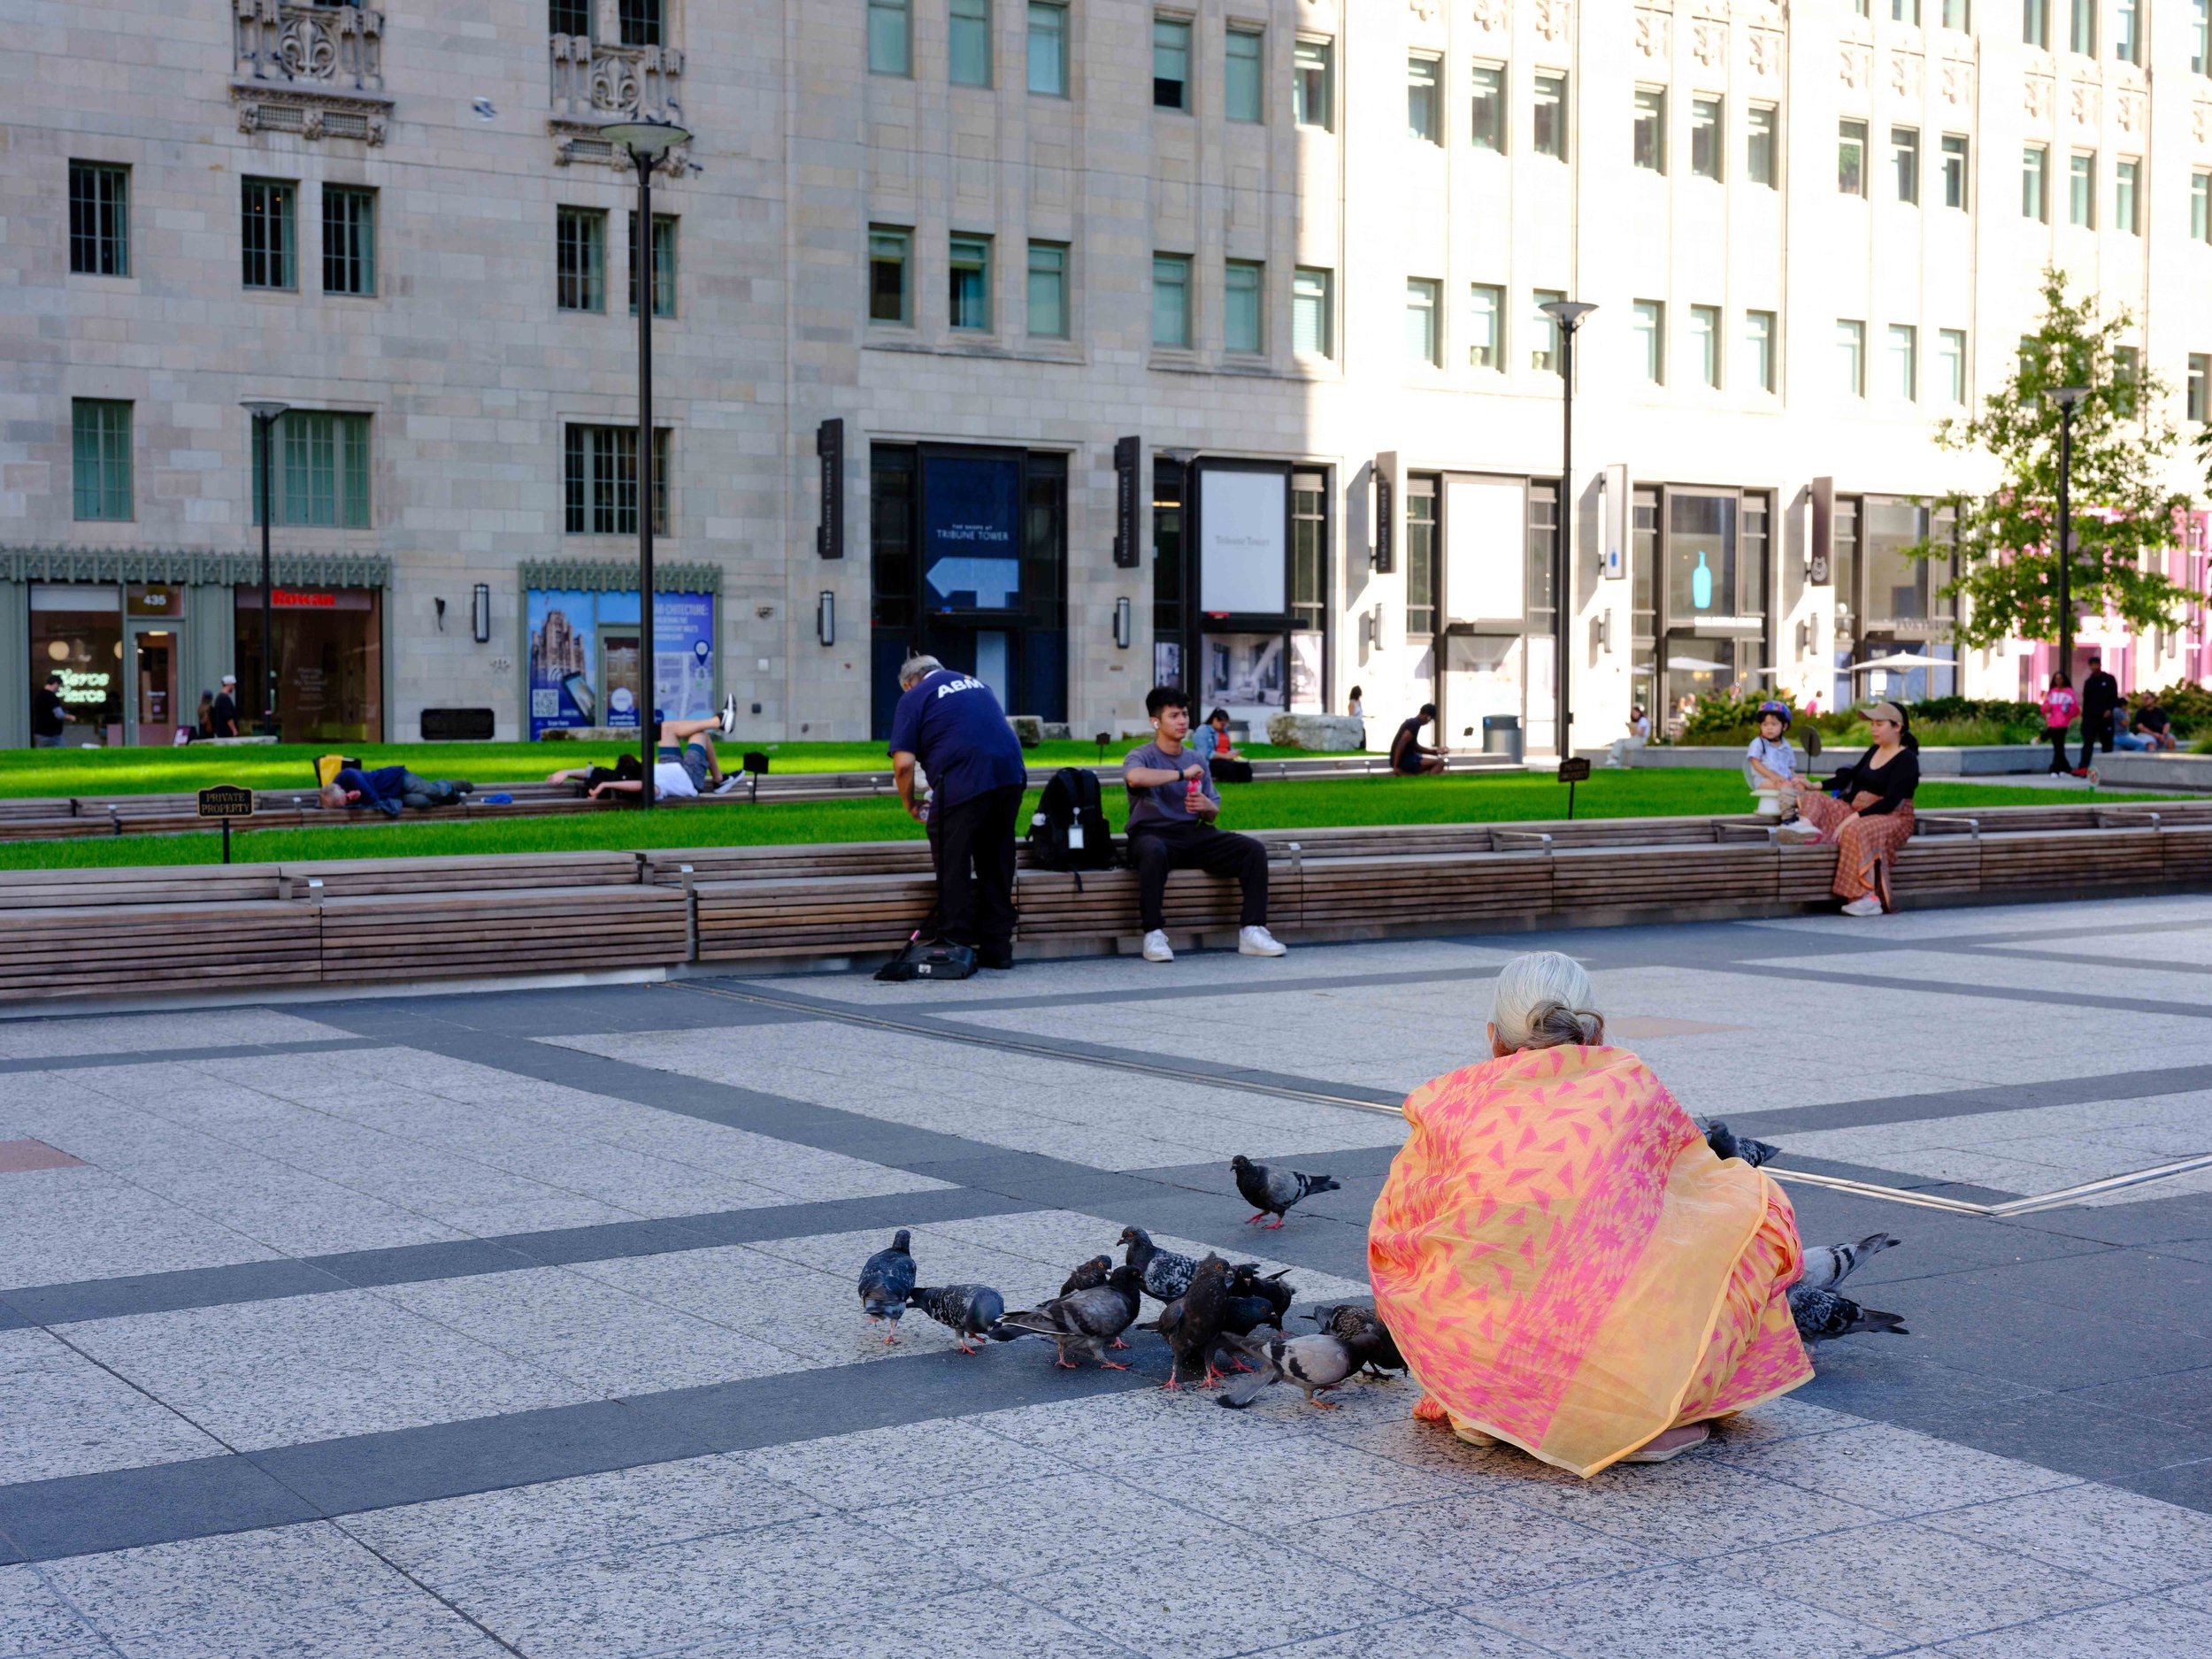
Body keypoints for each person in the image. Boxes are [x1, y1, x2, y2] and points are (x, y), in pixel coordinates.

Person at [1369, 951, 1812, 1476]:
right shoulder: (1628, 1082)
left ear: (1495, 1037)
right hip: (1612, 1345)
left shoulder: (1450, 1102)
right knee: (1744, 1207)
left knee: (1455, 1245)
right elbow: (1684, 1185)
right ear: (1593, 1033)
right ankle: (1647, 1410)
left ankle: (1477, 1404)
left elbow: (1403, 1222)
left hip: (1488, 1348)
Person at [1124, 686, 1286, 964]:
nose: (1182, 721)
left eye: (1184, 714)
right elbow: (1135, 779)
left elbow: (1212, 811)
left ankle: (1252, 930)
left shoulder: (1196, 759)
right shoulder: (1141, 755)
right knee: (1153, 851)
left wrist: (1207, 807)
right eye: (1174, 716)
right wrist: (1180, 775)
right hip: (1151, 834)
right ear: (1155, 722)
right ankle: (1153, 933)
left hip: (1191, 833)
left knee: (1252, 850)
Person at [889, 654, 1029, 973]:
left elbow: (903, 764)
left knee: (952, 859)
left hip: (963, 776)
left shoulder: (914, 696)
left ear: (909, 683)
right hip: (1010, 776)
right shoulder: (978, 684)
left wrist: (910, 804)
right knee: (996, 860)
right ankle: (998, 947)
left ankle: (955, 944)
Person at [1778, 701, 1919, 916]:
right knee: (1815, 798)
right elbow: (1850, 776)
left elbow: (1891, 801)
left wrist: (1853, 817)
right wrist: (1815, 785)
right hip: (1857, 810)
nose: (1873, 728)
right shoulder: (1875, 750)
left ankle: (1867, 897)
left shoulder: (1907, 760)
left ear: (1897, 726)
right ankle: (1805, 828)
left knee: (1856, 829)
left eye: (1879, 724)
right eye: (1872, 724)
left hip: (1893, 817)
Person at [552, 715, 736, 803]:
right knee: (701, 736)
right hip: (688, 777)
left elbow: (591, 773)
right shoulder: (640, 790)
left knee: (665, 728)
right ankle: (719, 779)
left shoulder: (613, 778)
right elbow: (646, 787)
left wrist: (566, 772)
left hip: (668, 765)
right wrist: (605, 787)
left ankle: (718, 721)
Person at [319, 766, 476, 816]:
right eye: (344, 805)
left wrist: (357, 798)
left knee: (434, 791)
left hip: (397, 778)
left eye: (345, 799)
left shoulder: (348, 776)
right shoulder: (335, 799)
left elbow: (373, 798)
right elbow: (372, 804)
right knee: (424, 801)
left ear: (340, 789)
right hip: (394, 796)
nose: (348, 803)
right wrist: (352, 803)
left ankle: (451, 786)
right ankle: (452, 795)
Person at [1744, 700, 1799, 818]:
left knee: (1800, 785)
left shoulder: (1786, 746)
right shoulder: (1759, 743)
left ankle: (1805, 814)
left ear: (1784, 726)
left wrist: (1796, 777)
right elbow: (1755, 762)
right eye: (1765, 724)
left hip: (1784, 779)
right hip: (1764, 780)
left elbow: (1790, 767)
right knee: (1786, 786)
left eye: (1773, 724)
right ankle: (1788, 817)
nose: (1769, 728)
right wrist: (1772, 776)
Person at [2077, 652, 2118, 775]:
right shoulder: (2089, 682)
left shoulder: (2109, 679)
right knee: (2087, 744)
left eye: (2096, 664)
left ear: (2100, 665)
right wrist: (2084, 720)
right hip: (2091, 718)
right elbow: (2086, 701)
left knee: (2107, 743)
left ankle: (2108, 770)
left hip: (2105, 718)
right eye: (2092, 665)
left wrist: (2109, 709)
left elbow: (2114, 697)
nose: (2094, 667)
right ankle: (2083, 768)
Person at [1195, 708, 1255, 783]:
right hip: (1212, 762)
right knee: (1228, 768)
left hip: (1227, 758)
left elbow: (1228, 747)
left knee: (1245, 768)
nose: (1223, 726)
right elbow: (1205, 753)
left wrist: (1234, 753)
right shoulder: (1203, 731)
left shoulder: (1224, 730)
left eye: (1225, 724)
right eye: (1221, 723)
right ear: (1214, 720)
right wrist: (1225, 756)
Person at [2039, 672, 2079, 775]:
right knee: (2058, 747)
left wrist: (2067, 712)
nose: (2058, 681)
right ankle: (2066, 768)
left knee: (2059, 746)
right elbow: (2044, 708)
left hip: (2063, 723)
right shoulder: (2052, 692)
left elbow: (2075, 710)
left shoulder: (2069, 692)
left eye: (2060, 678)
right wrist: (2046, 708)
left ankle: (2055, 769)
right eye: (2056, 679)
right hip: (2052, 723)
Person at [1389, 704, 1448, 775]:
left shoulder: (1412, 722)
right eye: (1430, 720)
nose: (1428, 722)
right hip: (1405, 761)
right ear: (1427, 717)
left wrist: (1435, 752)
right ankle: (1430, 783)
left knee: (1433, 763)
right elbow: (1401, 744)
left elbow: (1416, 747)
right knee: (1440, 763)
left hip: (1406, 759)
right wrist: (1396, 766)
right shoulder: (1414, 724)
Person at [30, 672, 72, 748]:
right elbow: (59, 715)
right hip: (52, 733)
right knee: (62, 753)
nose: (59, 689)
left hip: (39, 732)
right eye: (59, 686)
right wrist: (69, 717)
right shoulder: (53, 697)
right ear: (55, 684)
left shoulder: (39, 696)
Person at [1606, 705, 1651, 769]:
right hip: (1635, 739)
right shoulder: (1636, 722)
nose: (1634, 715)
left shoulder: (1643, 720)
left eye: (1635, 713)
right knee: (1620, 744)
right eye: (1633, 714)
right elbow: (1633, 734)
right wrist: (1630, 727)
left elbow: (1641, 734)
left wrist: (1633, 727)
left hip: (1641, 741)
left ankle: (1614, 758)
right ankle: (1616, 764)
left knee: (1620, 743)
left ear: (1639, 713)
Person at [210, 674, 241, 739]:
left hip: (221, 731)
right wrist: (234, 730)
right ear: (229, 685)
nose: (234, 687)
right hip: (226, 732)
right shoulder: (225, 699)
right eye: (233, 685)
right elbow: (228, 716)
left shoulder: (219, 698)